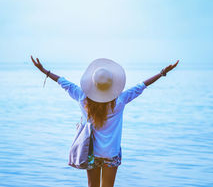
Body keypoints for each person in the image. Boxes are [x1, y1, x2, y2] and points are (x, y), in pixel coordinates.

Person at [30, 56, 179, 187]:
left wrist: (44, 71)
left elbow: (64, 83)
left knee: (92, 186)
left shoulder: (83, 98)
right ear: (111, 85)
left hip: (91, 152)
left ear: (92, 84)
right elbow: (141, 86)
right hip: (111, 153)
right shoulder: (119, 101)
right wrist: (162, 73)